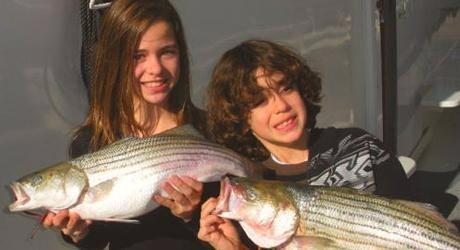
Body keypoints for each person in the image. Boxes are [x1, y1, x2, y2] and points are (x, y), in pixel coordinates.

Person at [198, 39, 411, 249]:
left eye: (286, 88)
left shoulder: (360, 147)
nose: (281, 106)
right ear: (239, 118)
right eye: (259, 101)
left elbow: (412, 217)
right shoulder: (248, 186)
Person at [41, 0, 214, 249]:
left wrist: (192, 215)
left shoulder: (209, 129)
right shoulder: (91, 142)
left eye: (167, 52)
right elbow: (99, 240)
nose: (155, 68)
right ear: (116, 61)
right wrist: (78, 232)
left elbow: (237, 231)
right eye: (138, 56)